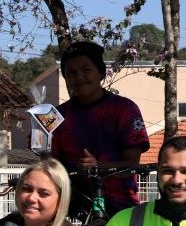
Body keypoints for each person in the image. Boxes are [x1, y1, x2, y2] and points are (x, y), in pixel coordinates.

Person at [49, 41, 150, 217]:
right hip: (68, 209)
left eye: (86, 70)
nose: (79, 77)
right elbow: (49, 164)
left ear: (101, 73)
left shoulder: (125, 109)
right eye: (71, 73)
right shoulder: (54, 114)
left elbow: (132, 165)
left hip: (119, 208)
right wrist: (38, 144)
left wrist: (98, 167)